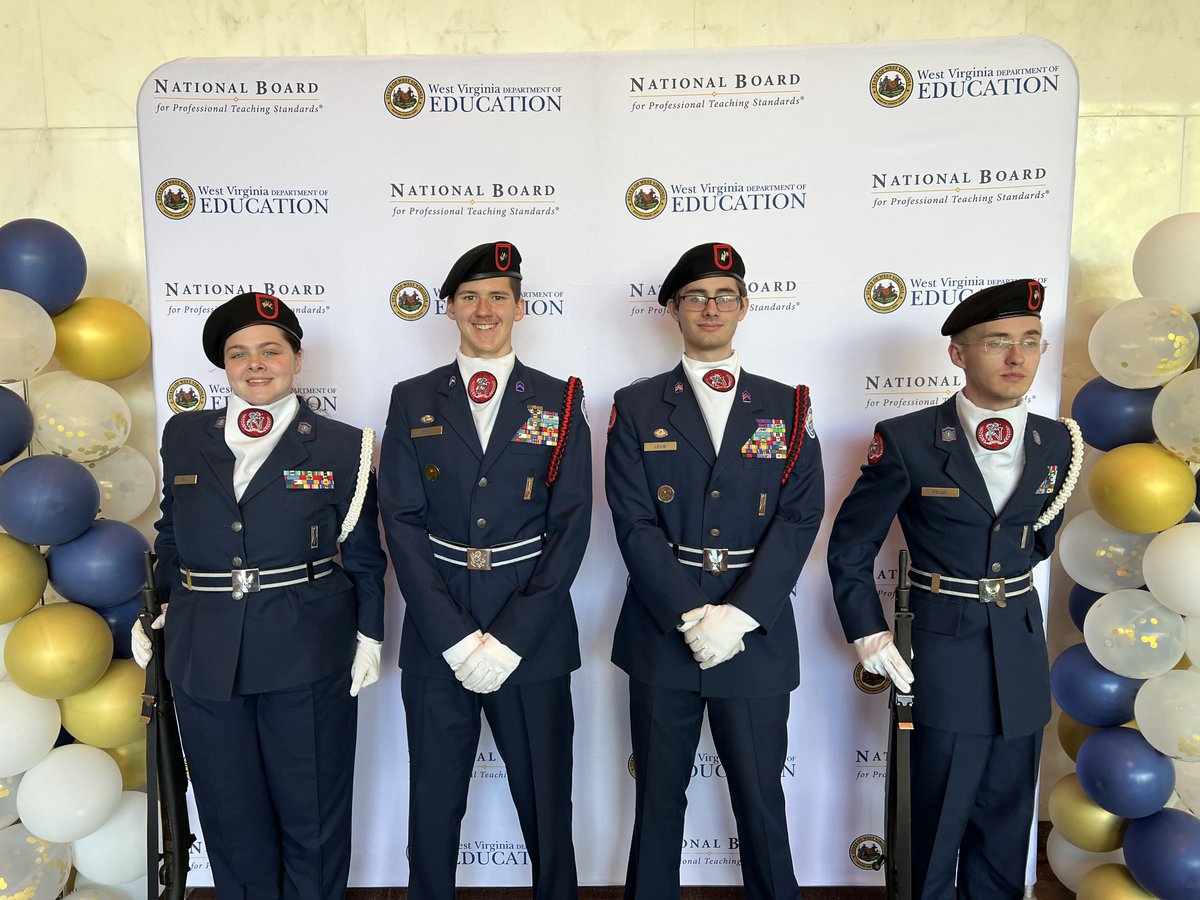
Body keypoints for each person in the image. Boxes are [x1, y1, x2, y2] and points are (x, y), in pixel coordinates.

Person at [827, 279, 1083, 898]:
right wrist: (867, 632)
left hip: (1019, 657)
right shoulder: (910, 440)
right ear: (959, 354)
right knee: (932, 832)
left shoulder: (1057, 441)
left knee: (1005, 828)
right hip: (942, 658)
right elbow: (851, 548)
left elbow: (1033, 539)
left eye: (1030, 343)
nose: (1018, 358)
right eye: (999, 342)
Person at [132, 291, 387, 900]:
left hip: (307, 647)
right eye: (238, 353)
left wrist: (370, 634)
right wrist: (158, 609)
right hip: (203, 647)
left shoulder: (341, 444)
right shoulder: (184, 434)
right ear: (224, 365)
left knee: (313, 813)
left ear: (296, 359)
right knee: (229, 815)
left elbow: (363, 552)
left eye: (270, 351)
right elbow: (173, 530)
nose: (255, 364)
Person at [606, 242, 824, 900]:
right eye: (696, 296)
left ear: (745, 307)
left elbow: (799, 517)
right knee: (658, 805)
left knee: (761, 802)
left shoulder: (788, 407)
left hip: (753, 634)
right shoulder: (637, 407)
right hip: (662, 630)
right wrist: (691, 615)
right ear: (673, 308)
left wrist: (739, 614)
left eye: (724, 295)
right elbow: (634, 523)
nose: (710, 307)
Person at [378, 241, 591, 900]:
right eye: (469, 296)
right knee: (434, 803)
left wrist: (513, 636)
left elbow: (573, 525)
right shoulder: (412, 400)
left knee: (547, 805)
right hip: (440, 628)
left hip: (533, 631)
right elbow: (403, 523)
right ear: (449, 309)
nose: (484, 309)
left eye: (498, 296)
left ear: (521, 308)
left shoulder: (558, 400)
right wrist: (455, 635)